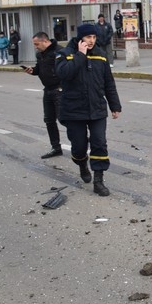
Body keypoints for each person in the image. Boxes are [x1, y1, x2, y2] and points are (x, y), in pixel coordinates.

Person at [55, 24, 122, 196]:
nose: (91, 41)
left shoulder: (101, 55)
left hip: (97, 109)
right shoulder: (64, 54)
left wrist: (115, 105)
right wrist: (80, 55)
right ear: (80, 38)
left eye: (94, 37)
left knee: (99, 143)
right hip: (73, 110)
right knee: (78, 147)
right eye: (88, 37)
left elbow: (108, 82)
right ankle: (82, 164)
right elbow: (64, 75)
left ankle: (99, 181)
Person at [25, 32, 64, 158]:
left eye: (37, 44)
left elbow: (68, 70)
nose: (36, 47)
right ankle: (56, 148)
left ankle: (80, 144)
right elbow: (39, 69)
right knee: (49, 120)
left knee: (64, 119)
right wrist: (33, 71)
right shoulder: (40, 54)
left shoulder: (59, 52)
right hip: (47, 90)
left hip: (60, 90)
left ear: (45, 41)